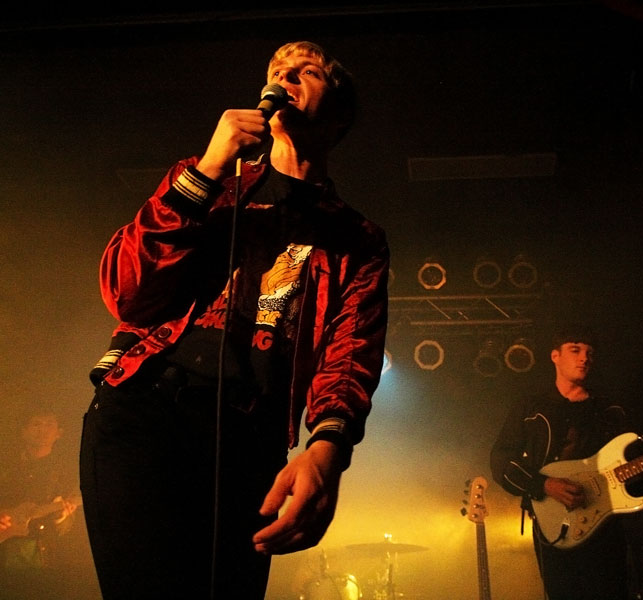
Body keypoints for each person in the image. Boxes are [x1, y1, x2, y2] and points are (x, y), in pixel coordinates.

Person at [79, 40, 389, 600]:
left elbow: (350, 354)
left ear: (340, 113)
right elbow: (126, 292)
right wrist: (207, 169)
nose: (285, 77)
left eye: (306, 71)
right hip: (145, 410)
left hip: (249, 438)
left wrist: (327, 451)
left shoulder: (356, 241)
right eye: (276, 71)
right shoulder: (208, 186)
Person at [490, 325, 643, 599]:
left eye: (590, 353)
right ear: (555, 356)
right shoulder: (531, 408)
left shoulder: (610, 411)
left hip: (605, 526)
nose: (584, 358)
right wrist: (544, 485)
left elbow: (632, 474)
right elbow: (501, 459)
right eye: (575, 350)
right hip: (553, 521)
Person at [0, 405, 82, 599]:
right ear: (23, 431)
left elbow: (71, 525)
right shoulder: (6, 466)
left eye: (49, 424)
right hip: (6, 560)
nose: (42, 430)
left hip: (48, 562)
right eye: (36, 424)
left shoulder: (67, 473)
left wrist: (63, 518)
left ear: (59, 433)